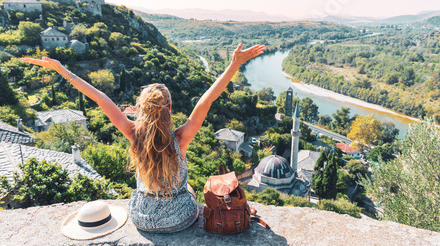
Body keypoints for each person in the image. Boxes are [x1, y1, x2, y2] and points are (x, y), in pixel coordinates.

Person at [21, 43, 266, 233]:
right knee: (189, 188)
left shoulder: (133, 134)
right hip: (179, 220)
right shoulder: (180, 138)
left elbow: (99, 97)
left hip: (141, 218)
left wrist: (61, 69)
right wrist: (234, 65)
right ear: (169, 109)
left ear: (141, 111)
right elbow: (207, 99)